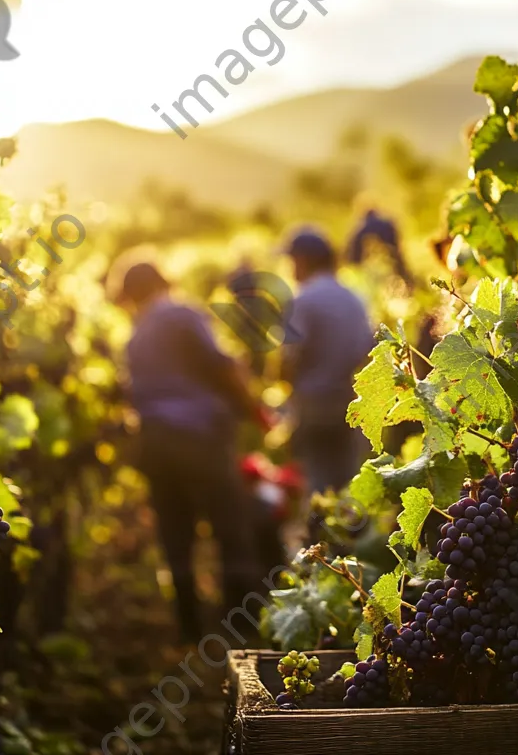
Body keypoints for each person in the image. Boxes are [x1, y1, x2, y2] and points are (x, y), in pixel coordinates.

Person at [114, 258, 263, 644]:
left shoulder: (136, 333)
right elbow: (222, 365)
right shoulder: (181, 313)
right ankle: (239, 626)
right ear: (164, 281)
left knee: (175, 530)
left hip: (155, 443)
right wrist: (254, 411)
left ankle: (190, 629)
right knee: (229, 523)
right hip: (199, 438)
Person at [280, 229, 376, 498]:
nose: (290, 268)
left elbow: (289, 357)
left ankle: (323, 538)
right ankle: (353, 538)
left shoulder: (302, 300)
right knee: (349, 484)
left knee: (318, 486)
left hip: (314, 405)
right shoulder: (354, 299)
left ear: (304, 260)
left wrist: (286, 387)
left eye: (292, 261)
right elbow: (368, 351)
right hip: (349, 402)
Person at [347, 208, 411, 283]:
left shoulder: (360, 227)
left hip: (366, 269)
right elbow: (398, 246)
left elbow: (352, 255)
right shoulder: (387, 223)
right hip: (391, 262)